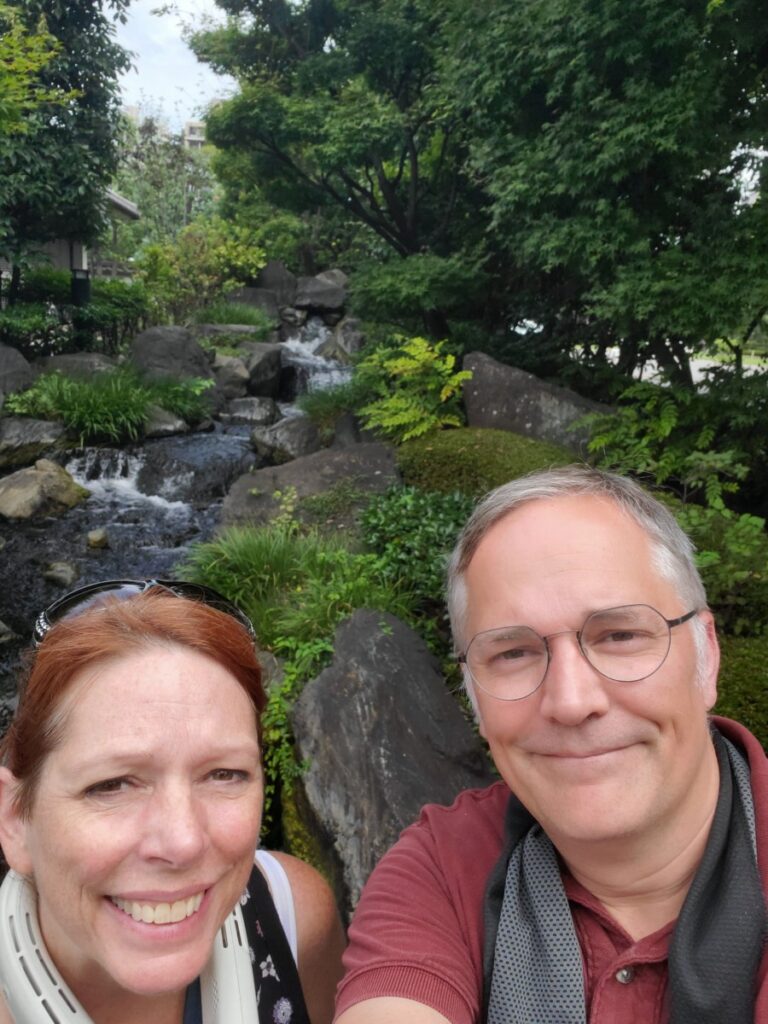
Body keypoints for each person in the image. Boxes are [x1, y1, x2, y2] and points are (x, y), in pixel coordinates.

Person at [334, 465, 768, 1024]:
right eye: (512, 652)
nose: (569, 701)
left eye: (619, 636)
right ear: (473, 695)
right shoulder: (446, 868)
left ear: (705, 655)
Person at [0, 579, 345, 1024]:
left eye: (224, 774)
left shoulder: (295, 918)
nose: (183, 842)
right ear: (15, 820)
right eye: (113, 784)